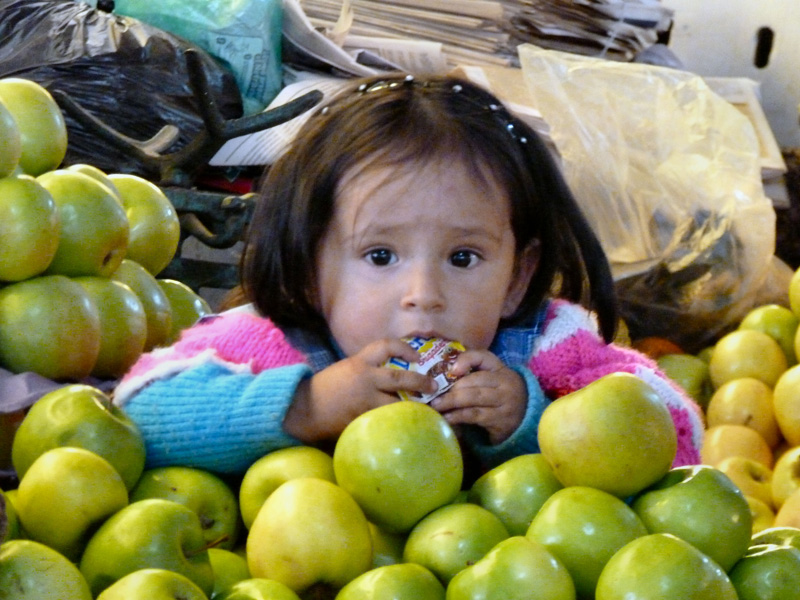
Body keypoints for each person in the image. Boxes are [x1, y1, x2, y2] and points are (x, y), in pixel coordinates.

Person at [114, 74, 704, 477]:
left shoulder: (549, 343)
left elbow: (677, 437)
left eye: (463, 258)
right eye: (380, 256)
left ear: (518, 278)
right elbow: (134, 415)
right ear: (309, 266)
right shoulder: (273, 341)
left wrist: (535, 418)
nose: (424, 298)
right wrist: (307, 407)